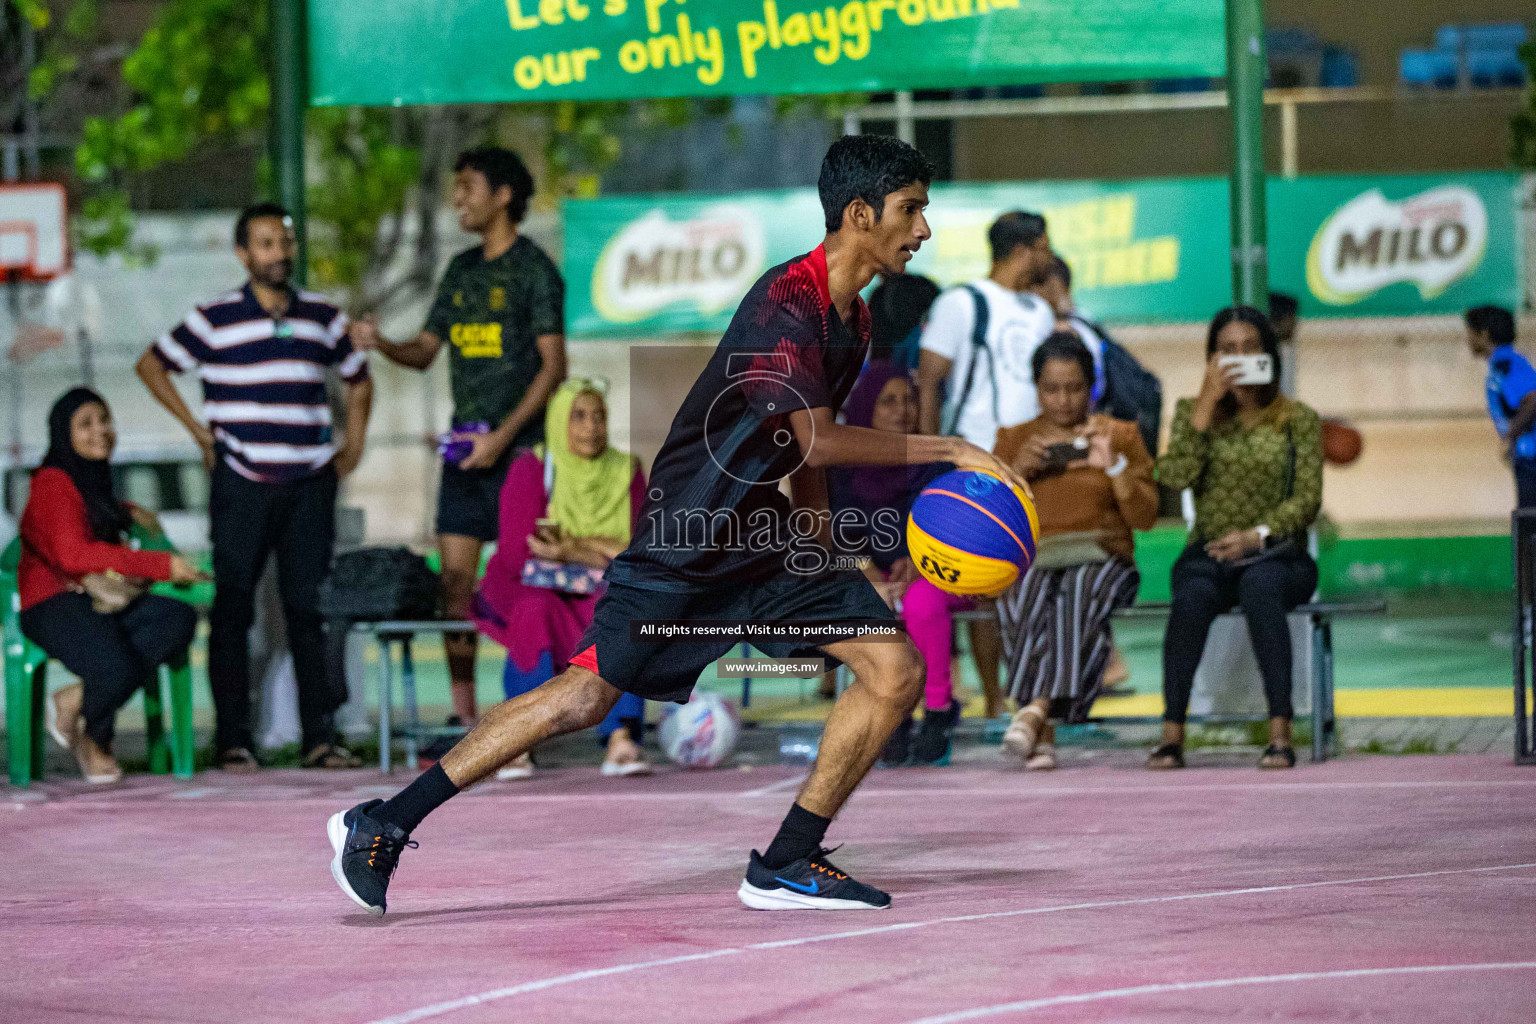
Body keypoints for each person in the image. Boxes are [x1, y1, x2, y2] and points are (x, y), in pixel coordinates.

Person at [326, 134, 1029, 918]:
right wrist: (952, 448)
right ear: (860, 215)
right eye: (911, 210)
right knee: (583, 699)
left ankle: (789, 861)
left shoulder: (853, 322)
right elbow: (814, 437)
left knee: (892, 671)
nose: (923, 228)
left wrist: (827, 549)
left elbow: (808, 459)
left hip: (765, 544)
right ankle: (381, 823)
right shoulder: (784, 303)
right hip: (688, 539)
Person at [137, 202, 373, 772]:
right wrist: (198, 430)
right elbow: (152, 365)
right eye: (265, 243)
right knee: (233, 607)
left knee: (308, 608)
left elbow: (359, 378)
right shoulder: (214, 318)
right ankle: (233, 741)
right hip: (240, 479)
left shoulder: (322, 315)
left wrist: (355, 443)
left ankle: (321, 738)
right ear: (244, 254)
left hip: (311, 481)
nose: (278, 253)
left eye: (285, 242)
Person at [351, 147, 567, 733]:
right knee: (454, 588)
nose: (457, 199)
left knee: (527, 583)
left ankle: (531, 717)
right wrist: (381, 342)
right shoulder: (459, 271)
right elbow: (423, 352)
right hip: (463, 458)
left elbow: (554, 368)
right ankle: (466, 716)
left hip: (519, 457)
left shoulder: (535, 271)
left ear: (503, 196)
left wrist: (501, 439)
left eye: (468, 186)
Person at [1149, 306, 1322, 771]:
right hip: (1209, 551)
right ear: (1210, 359)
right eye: (1227, 351)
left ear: (1269, 354)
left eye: (1250, 349)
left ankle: (1280, 734)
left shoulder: (1296, 418)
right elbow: (1175, 476)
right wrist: (1204, 407)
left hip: (1278, 555)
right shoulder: (1193, 413)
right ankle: (1171, 736)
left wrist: (1256, 536)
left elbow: (1307, 500)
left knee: (1260, 587)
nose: (1239, 359)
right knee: (1192, 592)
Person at [19, 389, 202, 783]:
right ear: (62, 433)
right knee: (114, 668)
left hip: (96, 601)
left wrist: (131, 520)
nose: (100, 431)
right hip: (52, 603)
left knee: (177, 619)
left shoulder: (94, 484)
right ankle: (97, 740)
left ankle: (75, 700)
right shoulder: (53, 481)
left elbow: (98, 539)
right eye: (85, 424)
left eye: (104, 420)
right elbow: (74, 556)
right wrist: (162, 566)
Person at [472, 379, 651, 780]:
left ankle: (621, 737)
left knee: (624, 613)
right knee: (534, 611)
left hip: (601, 588)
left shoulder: (626, 471)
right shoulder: (533, 467)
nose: (591, 427)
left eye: (599, 416)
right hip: (538, 586)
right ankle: (519, 741)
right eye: (579, 416)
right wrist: (601, 548)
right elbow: (521, 551)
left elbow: (639, 553)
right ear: (558, 422)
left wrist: (570, 548)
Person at [992, 334, 1157, 769]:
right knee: (1018, 596)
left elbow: (1145, 517)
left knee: (1078, 593)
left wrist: (1115, 467)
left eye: (1075, 388)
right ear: (1036, 388)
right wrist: (1015, 473)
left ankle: (1035, 710)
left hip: (1103, 557)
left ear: (1092, 387)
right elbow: (987, 518)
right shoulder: (1012, 440)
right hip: (1036, 557)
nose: (1063, 400)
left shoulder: (1119, 435)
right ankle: (1042, 735)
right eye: (1052, 389)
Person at [825, 363, 955, 765]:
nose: (901, 410)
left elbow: (951, 527)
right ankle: (892, 711)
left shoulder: (935, 464)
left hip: (939, 572)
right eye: (888, 402)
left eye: (908, 400)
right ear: (867, 410)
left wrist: (919, 562)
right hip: (870, 574)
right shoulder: (842, 471)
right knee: (873, 603)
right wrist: (869, 573)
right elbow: (838, 532)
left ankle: (937, 711)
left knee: (920, 603)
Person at [1466, 305, 1536, 508]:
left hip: (1531, 456)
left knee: (1529, 524)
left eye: (1470, 332)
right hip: (1525, 456)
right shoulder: (1504, 364)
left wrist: (1511, 435)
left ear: (1484, 334)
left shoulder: (1506, 365)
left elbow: (1532, 399)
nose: (1468, 339)